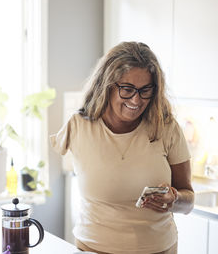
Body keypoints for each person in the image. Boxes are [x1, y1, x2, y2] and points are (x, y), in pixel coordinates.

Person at [50, 42, 194, 254]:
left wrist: (174, 199)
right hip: (93, 249)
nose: (136, 100)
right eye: (127, 89)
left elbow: (188, 200)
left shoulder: (165, 128)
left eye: (145, 90)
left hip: (158, 250)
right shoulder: (78, 126)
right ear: (107, 84)